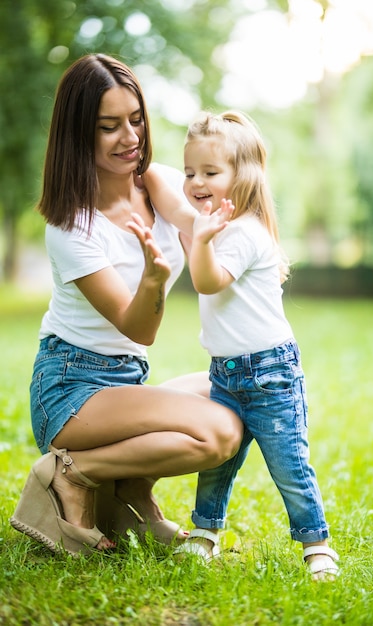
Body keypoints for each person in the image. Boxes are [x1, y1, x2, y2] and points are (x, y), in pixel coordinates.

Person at [9, 55, 243, 556]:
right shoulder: (70, 227)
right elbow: (139, 328)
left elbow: (195, 227)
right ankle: (72, 473)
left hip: (124, 383)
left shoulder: (154, 182)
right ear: (78, 134)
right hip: (71, 390)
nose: (130, 137)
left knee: (237, 389)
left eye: (135, 119)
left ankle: (133, 500)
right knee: (218, 433)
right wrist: (155, 280)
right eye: (108, 126)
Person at [171, 110, 340, 580]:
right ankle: (205, 533)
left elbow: (207, 282)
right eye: (190, 172)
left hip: (270, 374)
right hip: (225, 373)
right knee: (218, 463)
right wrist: (197, 233)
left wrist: (198, 240)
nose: (196, 182)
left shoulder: (243, 232)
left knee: (289, 464)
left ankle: (316, 543)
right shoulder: (218, 228)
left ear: (241, 176)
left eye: (209, 172)